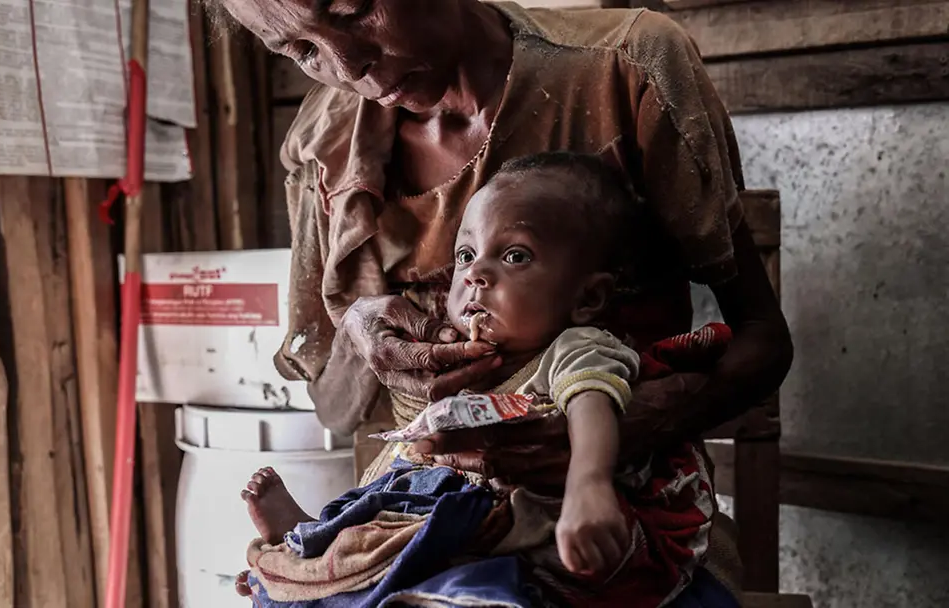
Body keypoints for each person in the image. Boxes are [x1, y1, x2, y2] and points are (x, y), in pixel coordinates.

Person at [208, 0, 793, 602]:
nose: (352, 67)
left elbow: (764, 339)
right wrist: (359, 334)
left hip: (598, 522)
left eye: (354, 9)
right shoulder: (323, 144)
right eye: (302, 51)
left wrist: (616, 435)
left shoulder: (622, 68)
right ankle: (313, 543)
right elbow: (333, 411)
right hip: (409, 522)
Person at [243, 152, 721, 606]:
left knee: (443, 551)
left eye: (514, 256)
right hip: (455, 517)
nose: (476, 275)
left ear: (588, 298)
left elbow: (592, 404)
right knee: (397, 499)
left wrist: (588, 486)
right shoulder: (458, 363)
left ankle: (331, 567)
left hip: (534, 526)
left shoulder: (577, 347)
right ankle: (316, 546)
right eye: (466, 254)